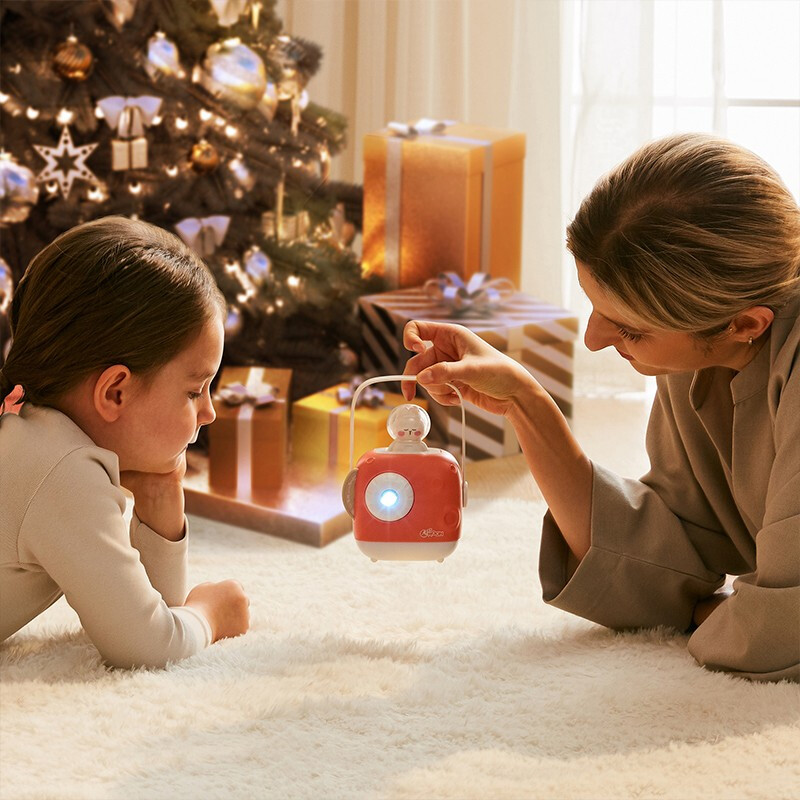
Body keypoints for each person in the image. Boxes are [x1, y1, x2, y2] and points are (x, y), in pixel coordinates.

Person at [401, 133, 800, 682]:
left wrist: (714, 613)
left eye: (630, 330)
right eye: (595, 305)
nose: (591, 340)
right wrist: (526, 402)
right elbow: (668, 557)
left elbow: (783, 631)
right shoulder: (702, 347)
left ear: (744, 325)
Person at [0, 217, 250, 669]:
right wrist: (212, 615)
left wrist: (159, 492)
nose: (209, 412)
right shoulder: (62, 470)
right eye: (195, 391)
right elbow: (147, 645)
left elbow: (148, 606)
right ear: (115, 391)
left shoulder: (32, 433)